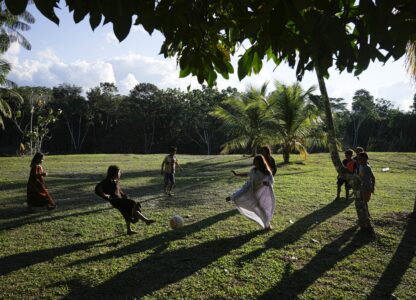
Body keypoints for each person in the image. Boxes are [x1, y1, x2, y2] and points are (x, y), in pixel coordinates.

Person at [95, 165, 155, 235]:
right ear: (114, 173)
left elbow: (119, 191)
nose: (120, 174)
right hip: (115, 201)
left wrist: (124, 196)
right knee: (132, 203)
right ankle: (133, 218)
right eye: (119, 173)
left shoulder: (115, 181)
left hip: (120, 200)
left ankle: (131, 229)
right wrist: (104, 195)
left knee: (126, 212)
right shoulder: (108, 181)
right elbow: (98, 187)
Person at [226, 155, 275, 230]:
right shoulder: (254, 171)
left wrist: (267, 183)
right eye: (254, 162)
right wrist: (237, 174)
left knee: (262, 209)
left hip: (260, 193)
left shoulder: (266, 171)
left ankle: (267, 225)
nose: (254, 163)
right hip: (251, 191)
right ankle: (266, 225)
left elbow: (270, 180)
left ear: (260, 162)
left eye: (256, 162)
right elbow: (247, 175)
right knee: (257, 208)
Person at [356, 152, 376, 234]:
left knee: (364, 202)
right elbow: (360, 176)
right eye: (358, 158)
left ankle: (366, 217)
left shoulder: (367, 167)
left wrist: (372, 187)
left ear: (365, 159)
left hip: (366, 188)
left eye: (361, 158)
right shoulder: (360, 166)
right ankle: (367, 215)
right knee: (363, 202)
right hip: (361, 187)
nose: (359, 160)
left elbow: (372, 177)